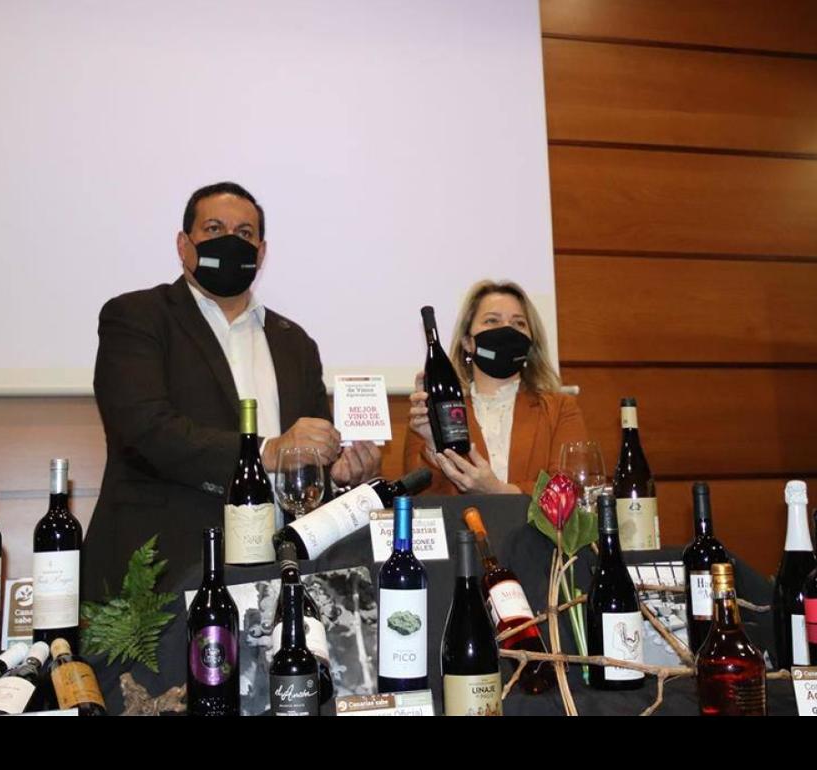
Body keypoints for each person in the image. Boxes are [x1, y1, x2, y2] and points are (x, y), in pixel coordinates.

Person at [83, 182, 381, 598]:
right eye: (213, 229)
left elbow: (309, 457)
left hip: (279, 574)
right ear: (183, 244)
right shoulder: (138, 317)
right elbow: (145, 428)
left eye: (244, 234)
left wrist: (340, 475)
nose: (229, 242)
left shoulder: (295, 343)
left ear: (261, 252)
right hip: (165, 572)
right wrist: (266, 451)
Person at [404, 279, 588, 495]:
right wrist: (434, 445)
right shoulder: (434, 410)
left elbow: (570, 489)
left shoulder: (560, 408)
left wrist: (499, 490)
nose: (507, 330)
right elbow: (421, 500)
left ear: (531, 342)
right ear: (467, 342)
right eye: (492, 320)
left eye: (519, 323)